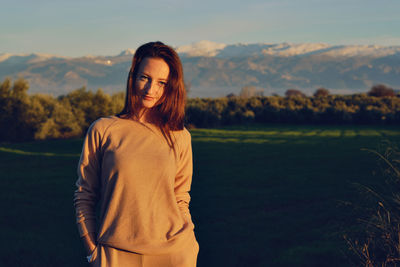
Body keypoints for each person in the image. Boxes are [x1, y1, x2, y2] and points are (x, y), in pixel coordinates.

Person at [73, 41, 199, 267]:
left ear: (171, 87)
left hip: (173, 255)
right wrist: (92, 251)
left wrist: (189, 248)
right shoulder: (103, 130)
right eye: (145, 78)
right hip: (115, 256)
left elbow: (181, 197)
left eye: (161, 83)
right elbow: (84, 196)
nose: (151, 90)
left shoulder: (180, 136)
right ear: (132, 77)